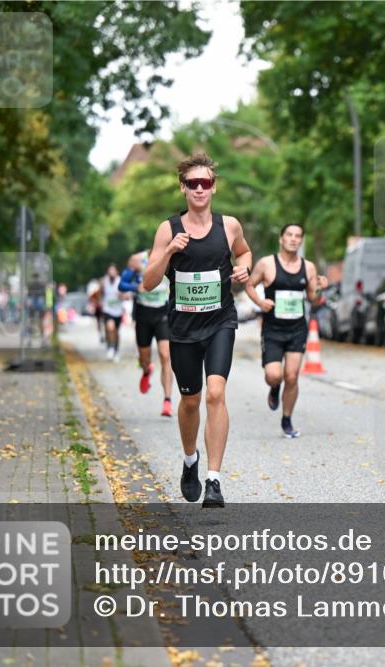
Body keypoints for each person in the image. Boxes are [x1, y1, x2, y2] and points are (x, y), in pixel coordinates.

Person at [142, 153, 252, 508]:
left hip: (220, 321)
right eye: (193, 183)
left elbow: (245, 253)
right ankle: (190, 460)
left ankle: (215, 480)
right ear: (183, 188)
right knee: (190, 401)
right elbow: (148, 282)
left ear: (214, 187)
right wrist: (169, 251)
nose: (200, 189)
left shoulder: (229, 226)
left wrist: (243, 270)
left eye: (206, 183)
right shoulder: (168, 229)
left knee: (215, 394)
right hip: (183, 328)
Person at [245, 223, 328, 438]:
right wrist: (260, 303)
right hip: (272, 329)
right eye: (289, 235)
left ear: (301, 241)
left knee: (291, 376)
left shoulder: (308, 267)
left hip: (297, 328)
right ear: (281, 239)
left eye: (298, 236)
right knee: (274, 375)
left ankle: (287, 419)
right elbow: (249, 285)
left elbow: (313, 298)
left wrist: (319, 289)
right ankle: (274, 388)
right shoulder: (267, 264)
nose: (293, 239)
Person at [120, 249, 174, 417]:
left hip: (163, 313)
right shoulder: (137, 260)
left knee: (166, 355)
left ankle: (167, 401)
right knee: (144, 358)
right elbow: (121, 285)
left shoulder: (172, 257)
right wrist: (136, 287)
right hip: (143, 314)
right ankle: (146, 370)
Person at [101, 264, 124, 362]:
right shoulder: (103, 281)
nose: (111, 273)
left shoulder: (120, 281)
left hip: (118, 311)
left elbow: (127, 295)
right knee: (110, 328)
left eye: (113, 271)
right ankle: (110, 347)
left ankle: (116, 350)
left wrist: (121, 296)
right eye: (110, 271)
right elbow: (98, 293)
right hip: (107, 310)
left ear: (116, 272)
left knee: (116, 332)